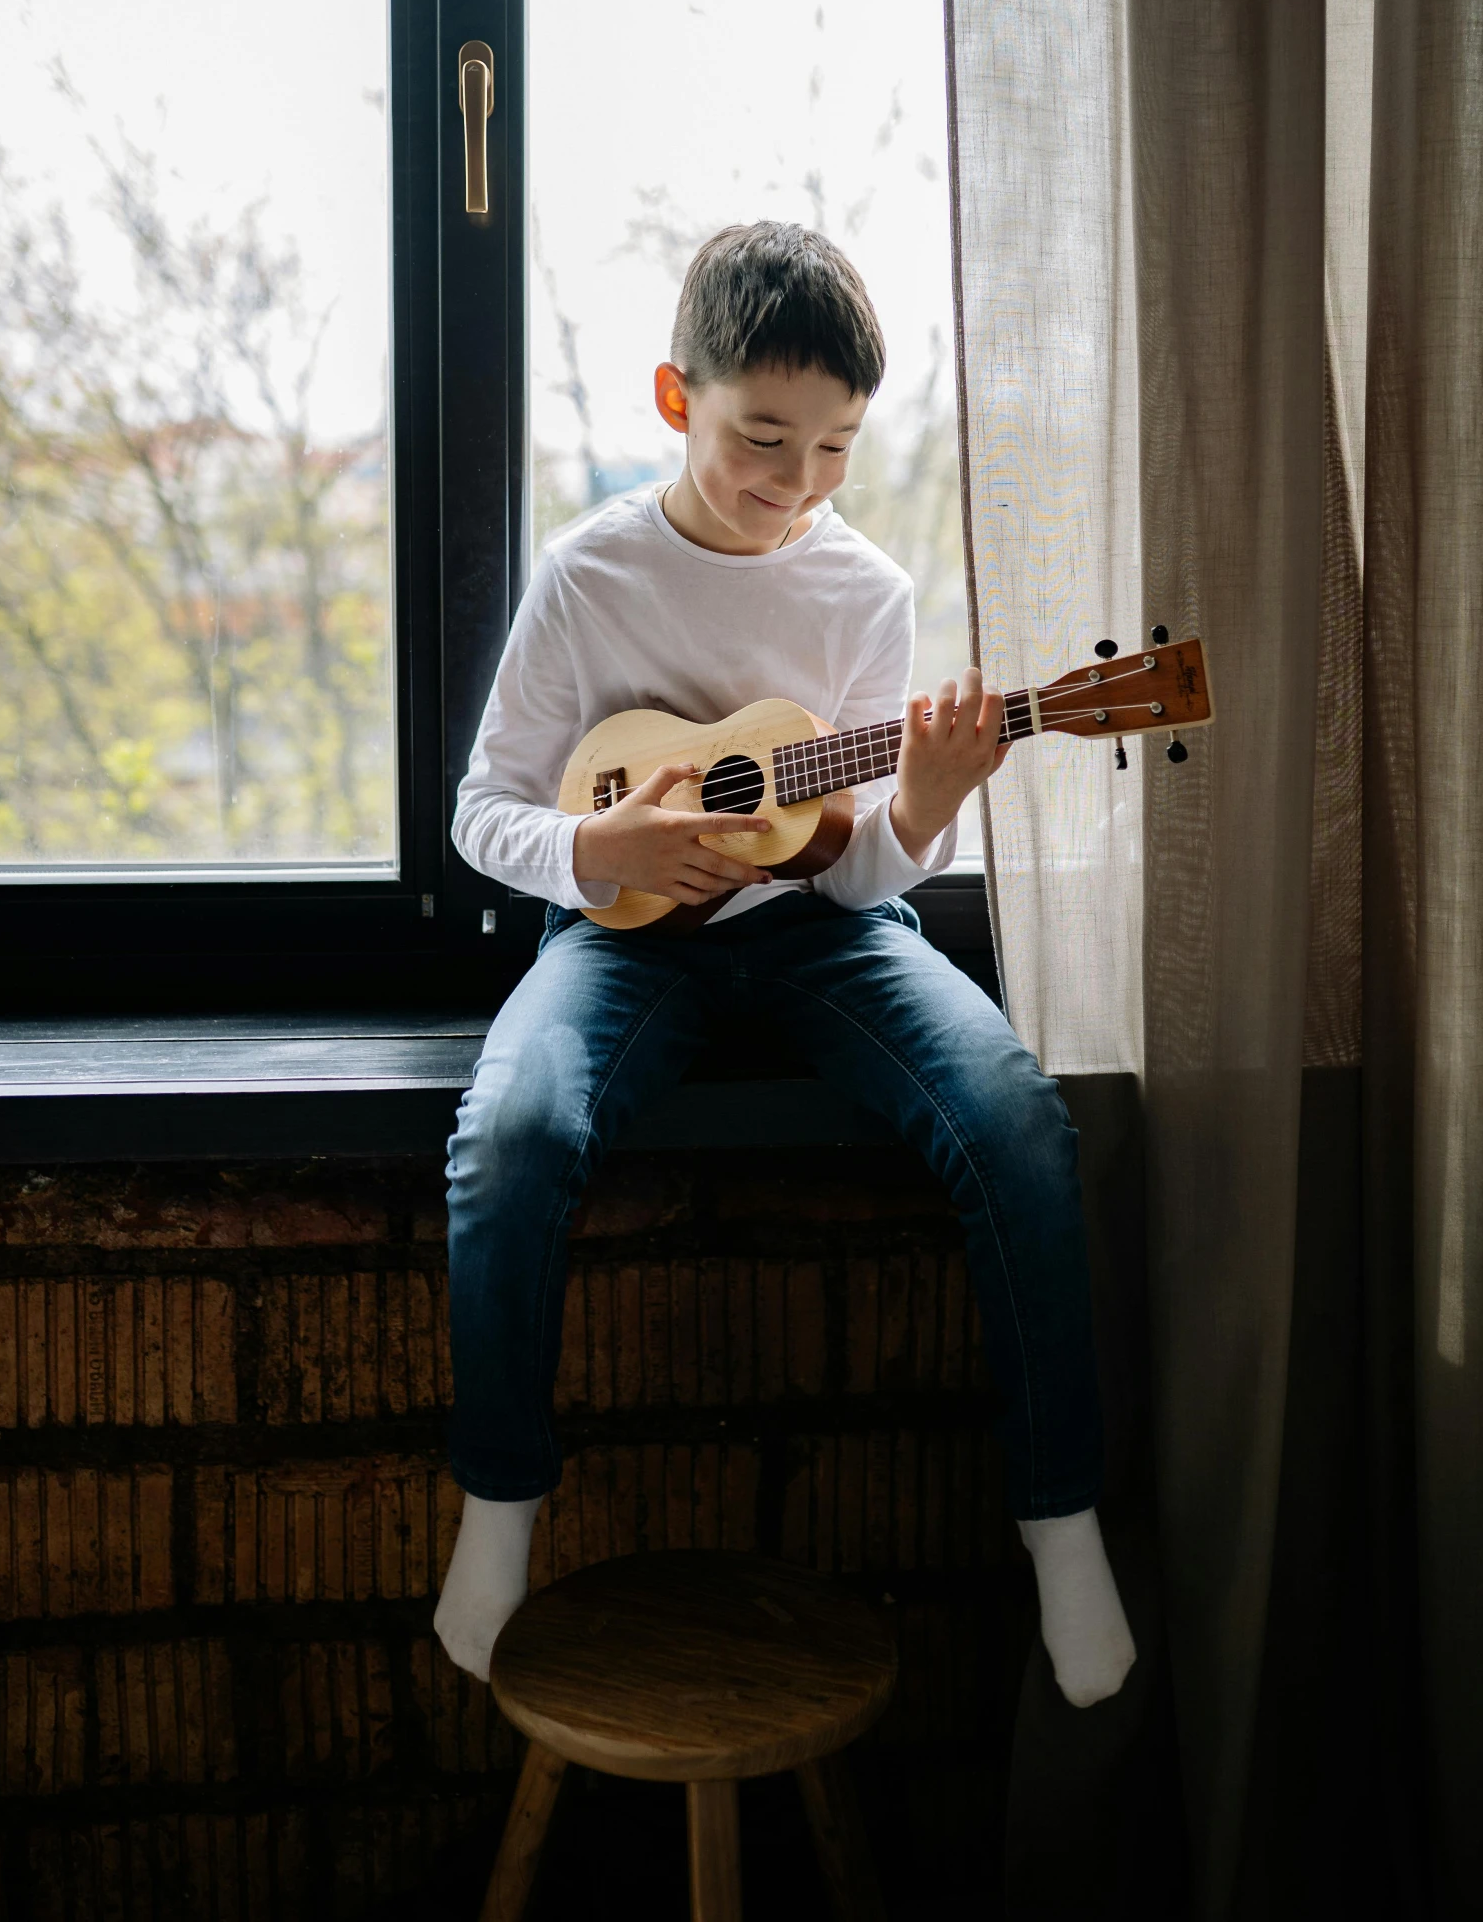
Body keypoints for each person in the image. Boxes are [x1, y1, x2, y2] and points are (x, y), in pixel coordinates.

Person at [435, 220, 1135, 1708]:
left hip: (826, 935)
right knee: (509, 1134)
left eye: (834, 448)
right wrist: (596, 856)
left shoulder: (861, 594)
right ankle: (500, 1512)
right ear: (676, 400)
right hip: (622, 944)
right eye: (763, 436)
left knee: (1012, 1114)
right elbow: (482, 810)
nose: (796, 481)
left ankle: (1061, 1523)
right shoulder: (588, 575)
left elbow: (862, 862)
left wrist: (929, 798)